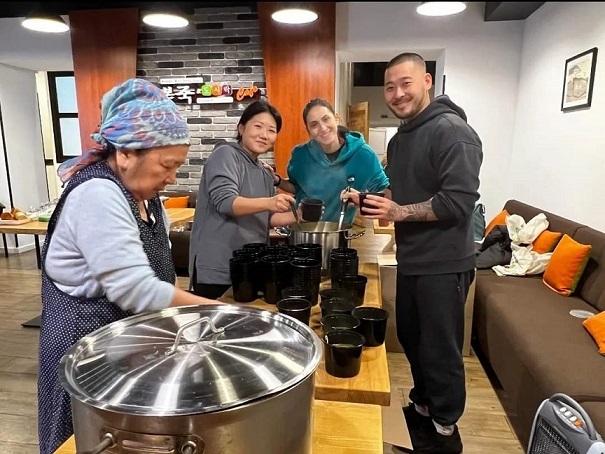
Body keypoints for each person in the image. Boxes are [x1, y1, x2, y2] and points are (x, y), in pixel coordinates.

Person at [37, 78, 221, 454]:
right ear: (125, 153)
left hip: (125, 345)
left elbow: (159, 271)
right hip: (83, 350)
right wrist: (221, 312)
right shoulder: (98, 193)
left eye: (177, 166)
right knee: (86, 441)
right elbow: (135, 289)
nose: (172, 177)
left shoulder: (147, 198)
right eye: (167, 165)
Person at [343, 53, 483, 453]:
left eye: (405, 83)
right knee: (411, 337)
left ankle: (445, 429)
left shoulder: (453, 132)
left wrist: (398, 212)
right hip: (412, 260)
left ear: (427, 81)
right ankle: (423, 408)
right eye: (390, 87)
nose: (397, 94)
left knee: (440, 349)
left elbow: (457, 202)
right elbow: (400, 194)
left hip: (445, 263)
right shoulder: (401, 139)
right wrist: (369, 199)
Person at [189, 99, 297, 299]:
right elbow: (226, 202)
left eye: (271, 130)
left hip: (250, 268)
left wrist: (301, 215)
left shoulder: (265, 173)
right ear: (241, 128)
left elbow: (268, 218)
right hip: (218, 268)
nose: (264, 135)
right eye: (258, 126)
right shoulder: (225, 154)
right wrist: (270, 202)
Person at [264, 98, 389, 226]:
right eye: (314, 125)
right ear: (308, 131)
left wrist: (362, 200)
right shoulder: (300, 154)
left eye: (326, 119)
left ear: (336, 118)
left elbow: (384, 191)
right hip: (302, 229)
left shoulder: (363, 154)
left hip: (339, 231)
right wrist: (277, 180)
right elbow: (297, 187)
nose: (323, 128)